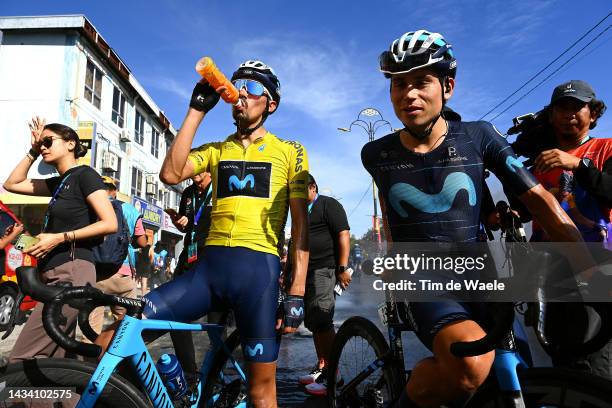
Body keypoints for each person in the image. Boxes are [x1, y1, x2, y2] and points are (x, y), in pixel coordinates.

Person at [362, 30, 588, 407]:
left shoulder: (478, 136)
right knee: (472, 366)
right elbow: (390, 213)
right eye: (399, 85)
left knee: (517, 374)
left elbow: (540, 200)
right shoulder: (376, 153)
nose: (409, 94)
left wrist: (591, 270)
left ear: (447, 86)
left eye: (421, 82)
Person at [96, 60, 309, 407]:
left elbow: (300, 224)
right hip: (207, 274)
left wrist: (297, 291)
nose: (241, 93)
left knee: (261, 393)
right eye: (238, 84)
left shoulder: (290, 151)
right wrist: (196, 110)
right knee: (117, 338)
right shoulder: (216, 150)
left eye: (252, 88)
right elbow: (170, 173)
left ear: (270, 103)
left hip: (259, 276)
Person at [3, 117, 116, 362]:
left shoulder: (85, 175)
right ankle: (74, 401)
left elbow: (109, 223)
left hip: (72, 273)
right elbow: (11, 184)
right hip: (54, 274)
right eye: (40, 143)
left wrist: (58, 238)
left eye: (48, 141)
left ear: (71, 144)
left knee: (24, 359)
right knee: (58, 361)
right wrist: (32, 151)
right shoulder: (59, 182)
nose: (42, 146)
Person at [527, 80, 612, 380]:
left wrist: (578, 165)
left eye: (578, 107)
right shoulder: (539, 161)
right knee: (558, 354)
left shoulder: (607, 148)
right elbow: (529, 209)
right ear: (551, 116)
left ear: (593, 113)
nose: (569, 114)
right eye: (562, 108)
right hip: (549, 267)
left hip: (598, 264)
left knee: (595, 360)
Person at [298, 174, 351, 396]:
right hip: (306, 272)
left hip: (325, 270)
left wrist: (342, 268)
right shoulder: (302, 212)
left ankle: (333, 375)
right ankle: (322, 367)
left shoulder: (329, 204)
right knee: (312, 321)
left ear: (313, 187)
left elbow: (343, 235)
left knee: (322, 319)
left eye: (301, 191)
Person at [84, 176, 147, 340]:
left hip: (96, 274)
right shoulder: (130, 210)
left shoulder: (90, 207)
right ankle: (117, 356)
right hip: (123, 275)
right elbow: (141, 242)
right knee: (126, 324)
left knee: (91, 325)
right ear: (114, 191)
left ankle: (89, 360)